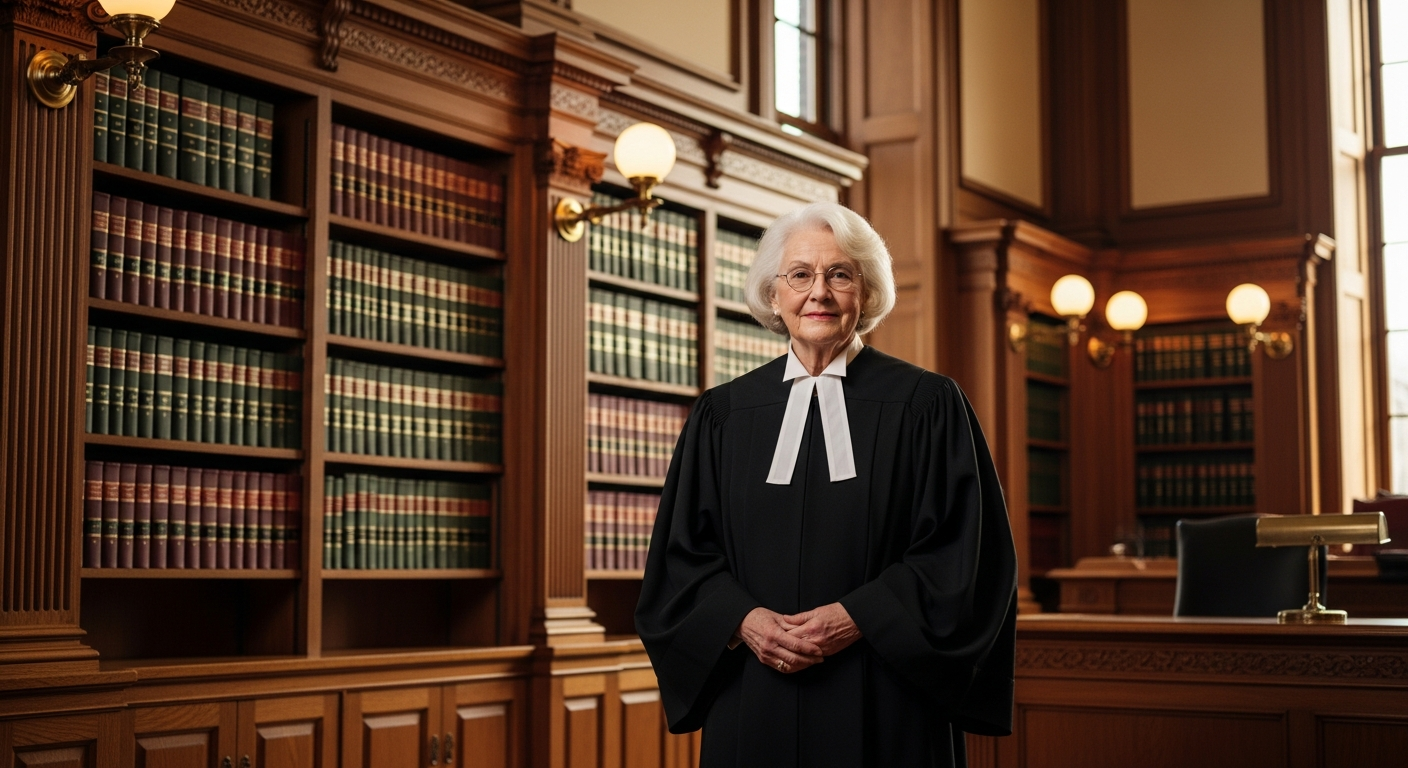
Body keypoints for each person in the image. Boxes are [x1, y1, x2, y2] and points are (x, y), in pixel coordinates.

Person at [635, 202, 1018, 767]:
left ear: (866, 294)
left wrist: (858, 617)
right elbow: (681, 557)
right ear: (773, 295)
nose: (819, 293)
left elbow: (965, 557)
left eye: (840, 274)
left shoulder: (927, 405)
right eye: (800, 275)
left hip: (888, 693)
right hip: (754, 690)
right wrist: (745, 621)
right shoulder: (725, 414)